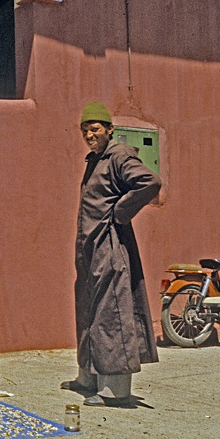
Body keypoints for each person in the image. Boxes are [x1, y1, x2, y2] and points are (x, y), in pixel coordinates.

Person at [61, 102, 161, 407]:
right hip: (90, 249)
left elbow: (150, 182)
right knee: (90, 310)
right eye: (85, 130)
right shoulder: (96, 160)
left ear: (109, 130)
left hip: (109, 247)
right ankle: (88, 377)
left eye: (95, 129)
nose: (90, 135)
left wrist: (120, 213)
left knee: (111, 313)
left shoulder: (118, 155)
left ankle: (116, 390)